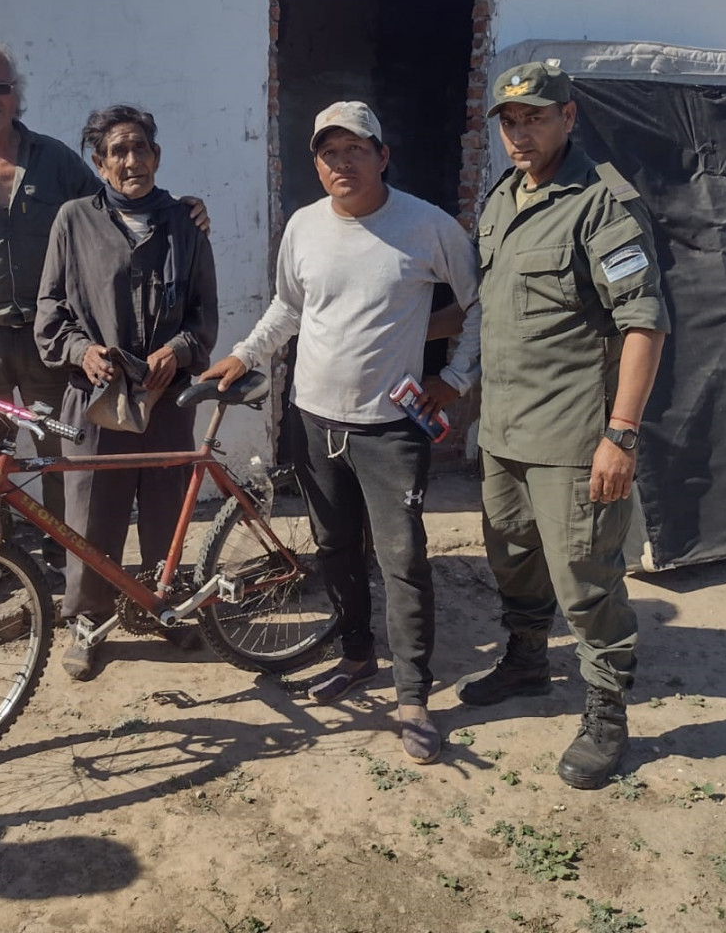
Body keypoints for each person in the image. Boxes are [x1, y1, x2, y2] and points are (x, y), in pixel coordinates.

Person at [201, 101, 482, 766]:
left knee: (402, 559)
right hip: (314, 419)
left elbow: (480, 305)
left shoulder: (427, 227)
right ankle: (357, 654)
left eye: (355, 149)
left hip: (390, 429)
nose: (341, 163)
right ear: (317, 163)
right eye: (328, 152)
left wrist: (458, 379)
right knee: (334, 549)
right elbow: (288, 308)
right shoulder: (303, 226)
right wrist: (245, 353)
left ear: (383, 155)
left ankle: (413, 695)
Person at [0, 36, 209, 571]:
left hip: (49, 337)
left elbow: (117, 201)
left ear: (17, 95)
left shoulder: (54, 160)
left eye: (0, 87)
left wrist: (182, 208)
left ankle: (67, 557)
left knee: (65, 452)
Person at [455, 62, 668, 791]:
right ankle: (524, 660)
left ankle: (607, 708)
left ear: (568, 118)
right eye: (510, 122)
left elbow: (644, 322)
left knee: (584, 575)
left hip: (575, 437)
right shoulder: (503, 198)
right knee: (511, 555)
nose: (520, 133)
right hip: (504, 428)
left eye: (536, 119)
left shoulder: (602, 206)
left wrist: (622, 434)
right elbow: (491, 307)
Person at [35, 105, 218, 680]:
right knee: (92, 510)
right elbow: (50, 310)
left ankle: (162, 605)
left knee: (167, 504)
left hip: (165, 396)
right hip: (97, 395)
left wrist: (182, 350)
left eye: (140, 148)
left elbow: (204, 313)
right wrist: (78, 351)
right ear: (100, 163)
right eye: (118, 151)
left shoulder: (186, 224)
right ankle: (89, 621)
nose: (131, 160)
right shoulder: (73, 220)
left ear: (157, 156)